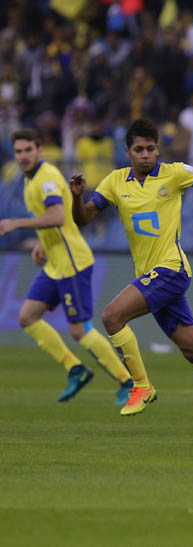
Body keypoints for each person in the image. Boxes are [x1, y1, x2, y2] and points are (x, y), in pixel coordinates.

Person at [69, 118, 193, 416]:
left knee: (112, 317)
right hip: (151, 277)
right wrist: (76, 196)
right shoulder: (114, 181)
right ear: (128, 151)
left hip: (171, 270)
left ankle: (141, 386)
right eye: (139, 149)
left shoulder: (174, 174)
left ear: (158, 150)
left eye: (151, 148)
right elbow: (83, 219)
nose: (146, 154)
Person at [0, 129, 133, 404]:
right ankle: (75, 369)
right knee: (27, 316)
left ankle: (128, 382)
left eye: (28, 150)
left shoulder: (46, 178)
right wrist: (41, 244)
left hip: (73, 262)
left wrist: (16, 223)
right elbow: (48, 220)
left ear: (39, 151)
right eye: (19, 151)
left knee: (79, 330)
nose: (23, 156)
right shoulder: (29, 180)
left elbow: (58, 216)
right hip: (55, 263)